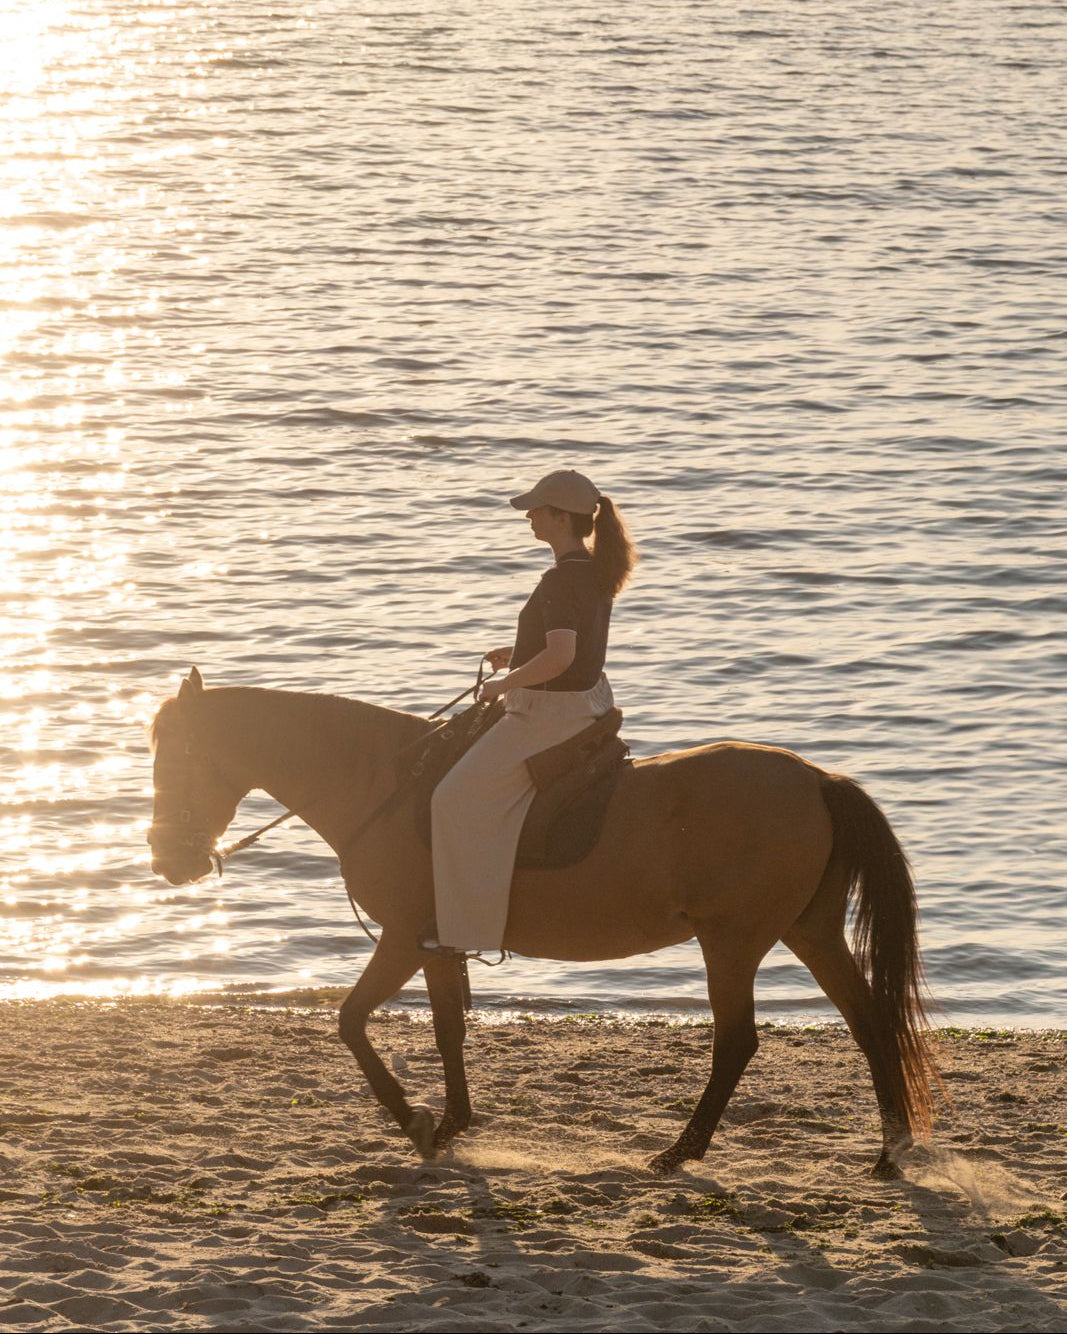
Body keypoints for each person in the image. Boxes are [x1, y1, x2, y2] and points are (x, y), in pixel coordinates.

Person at [424, 468, 637, 955]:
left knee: (450, 798)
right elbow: (569, 649)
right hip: (585, 702)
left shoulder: (561, 579)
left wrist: (505, 682)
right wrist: (518, 654)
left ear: (560, 517)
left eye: (537, 510)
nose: (529, 518)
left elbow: (561, 657)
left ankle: (464, 933)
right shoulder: (592, 569)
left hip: (548, 714)